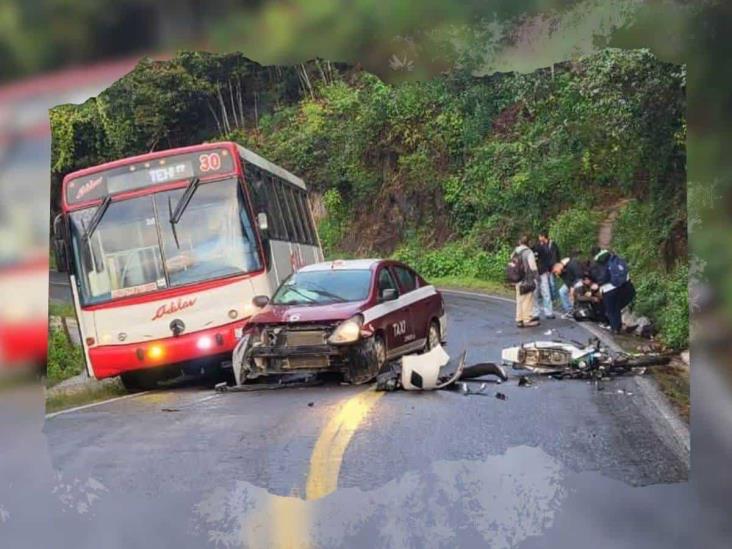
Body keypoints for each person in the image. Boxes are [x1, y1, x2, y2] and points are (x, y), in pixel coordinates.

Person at [532, 230, 561, 320]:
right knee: (535, 293)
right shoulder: (535, 247)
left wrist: (549, 269)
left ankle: (548, 312)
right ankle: (535, 313)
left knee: (545, 292)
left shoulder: (547, 247)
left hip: (543, 272)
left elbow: (550, 259)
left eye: (540, 236)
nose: (539, 238)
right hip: (536, 272)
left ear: (543, 237)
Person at [513, 235, 539, 328]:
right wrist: (537, 277)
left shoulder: (515, 251)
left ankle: (519, 319)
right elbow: (533, 267)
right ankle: (527, 320)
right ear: (528, 243)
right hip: (527, 279)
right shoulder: (528, 252)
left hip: (517, 279)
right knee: (527, 300)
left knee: (519, 299)